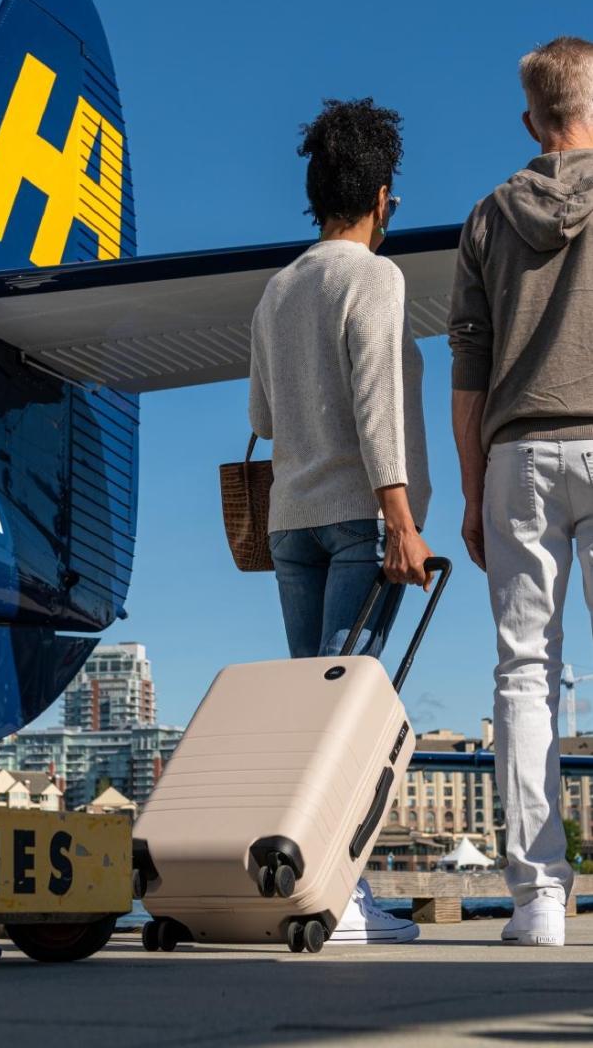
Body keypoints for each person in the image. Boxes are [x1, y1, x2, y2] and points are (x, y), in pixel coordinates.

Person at [249, 97, 433, 944]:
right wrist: (400, 518)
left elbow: (263, 413)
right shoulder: (376, 278)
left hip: (292, 521)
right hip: (364, 517)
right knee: (346, 722)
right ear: (383, 195)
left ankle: (309, 885)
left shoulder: (277, 291)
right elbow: (378, 406)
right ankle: (339, 897)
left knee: (307, 716)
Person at [450, 36, 593, 948]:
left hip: (518, 454)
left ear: (530, 120)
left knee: (523, 672)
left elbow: (466, 368)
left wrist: (470, 495)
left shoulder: (486, 218)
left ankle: (538, 897)